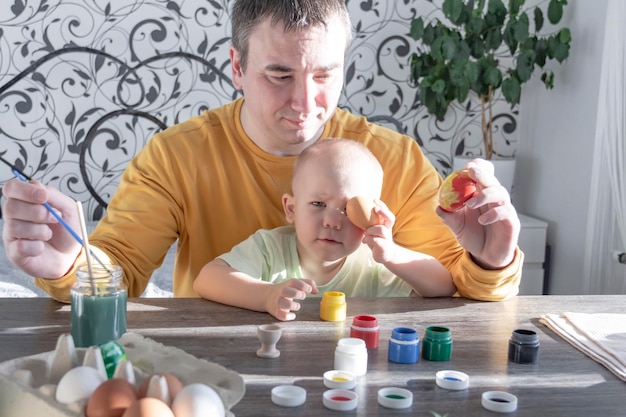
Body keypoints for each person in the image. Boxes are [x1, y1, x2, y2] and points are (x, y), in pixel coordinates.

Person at [1, 0, 522, 303]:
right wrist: (70, 263)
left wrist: (490, 259)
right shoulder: (175, 158)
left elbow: (456, 287)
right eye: (279, 75)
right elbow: (121, 275)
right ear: (236, 67)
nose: (305, 103)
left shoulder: (396, 160)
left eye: (324, 76)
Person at [193, 139, 456, 320]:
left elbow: (443, 286)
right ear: (291, 209)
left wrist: (393, 255)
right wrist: (266, 296)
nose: (332, 220)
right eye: (318, 203)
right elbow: (207, 279)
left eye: (349, 209)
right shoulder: (269, 249)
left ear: (371, 218)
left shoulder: (372, 264)